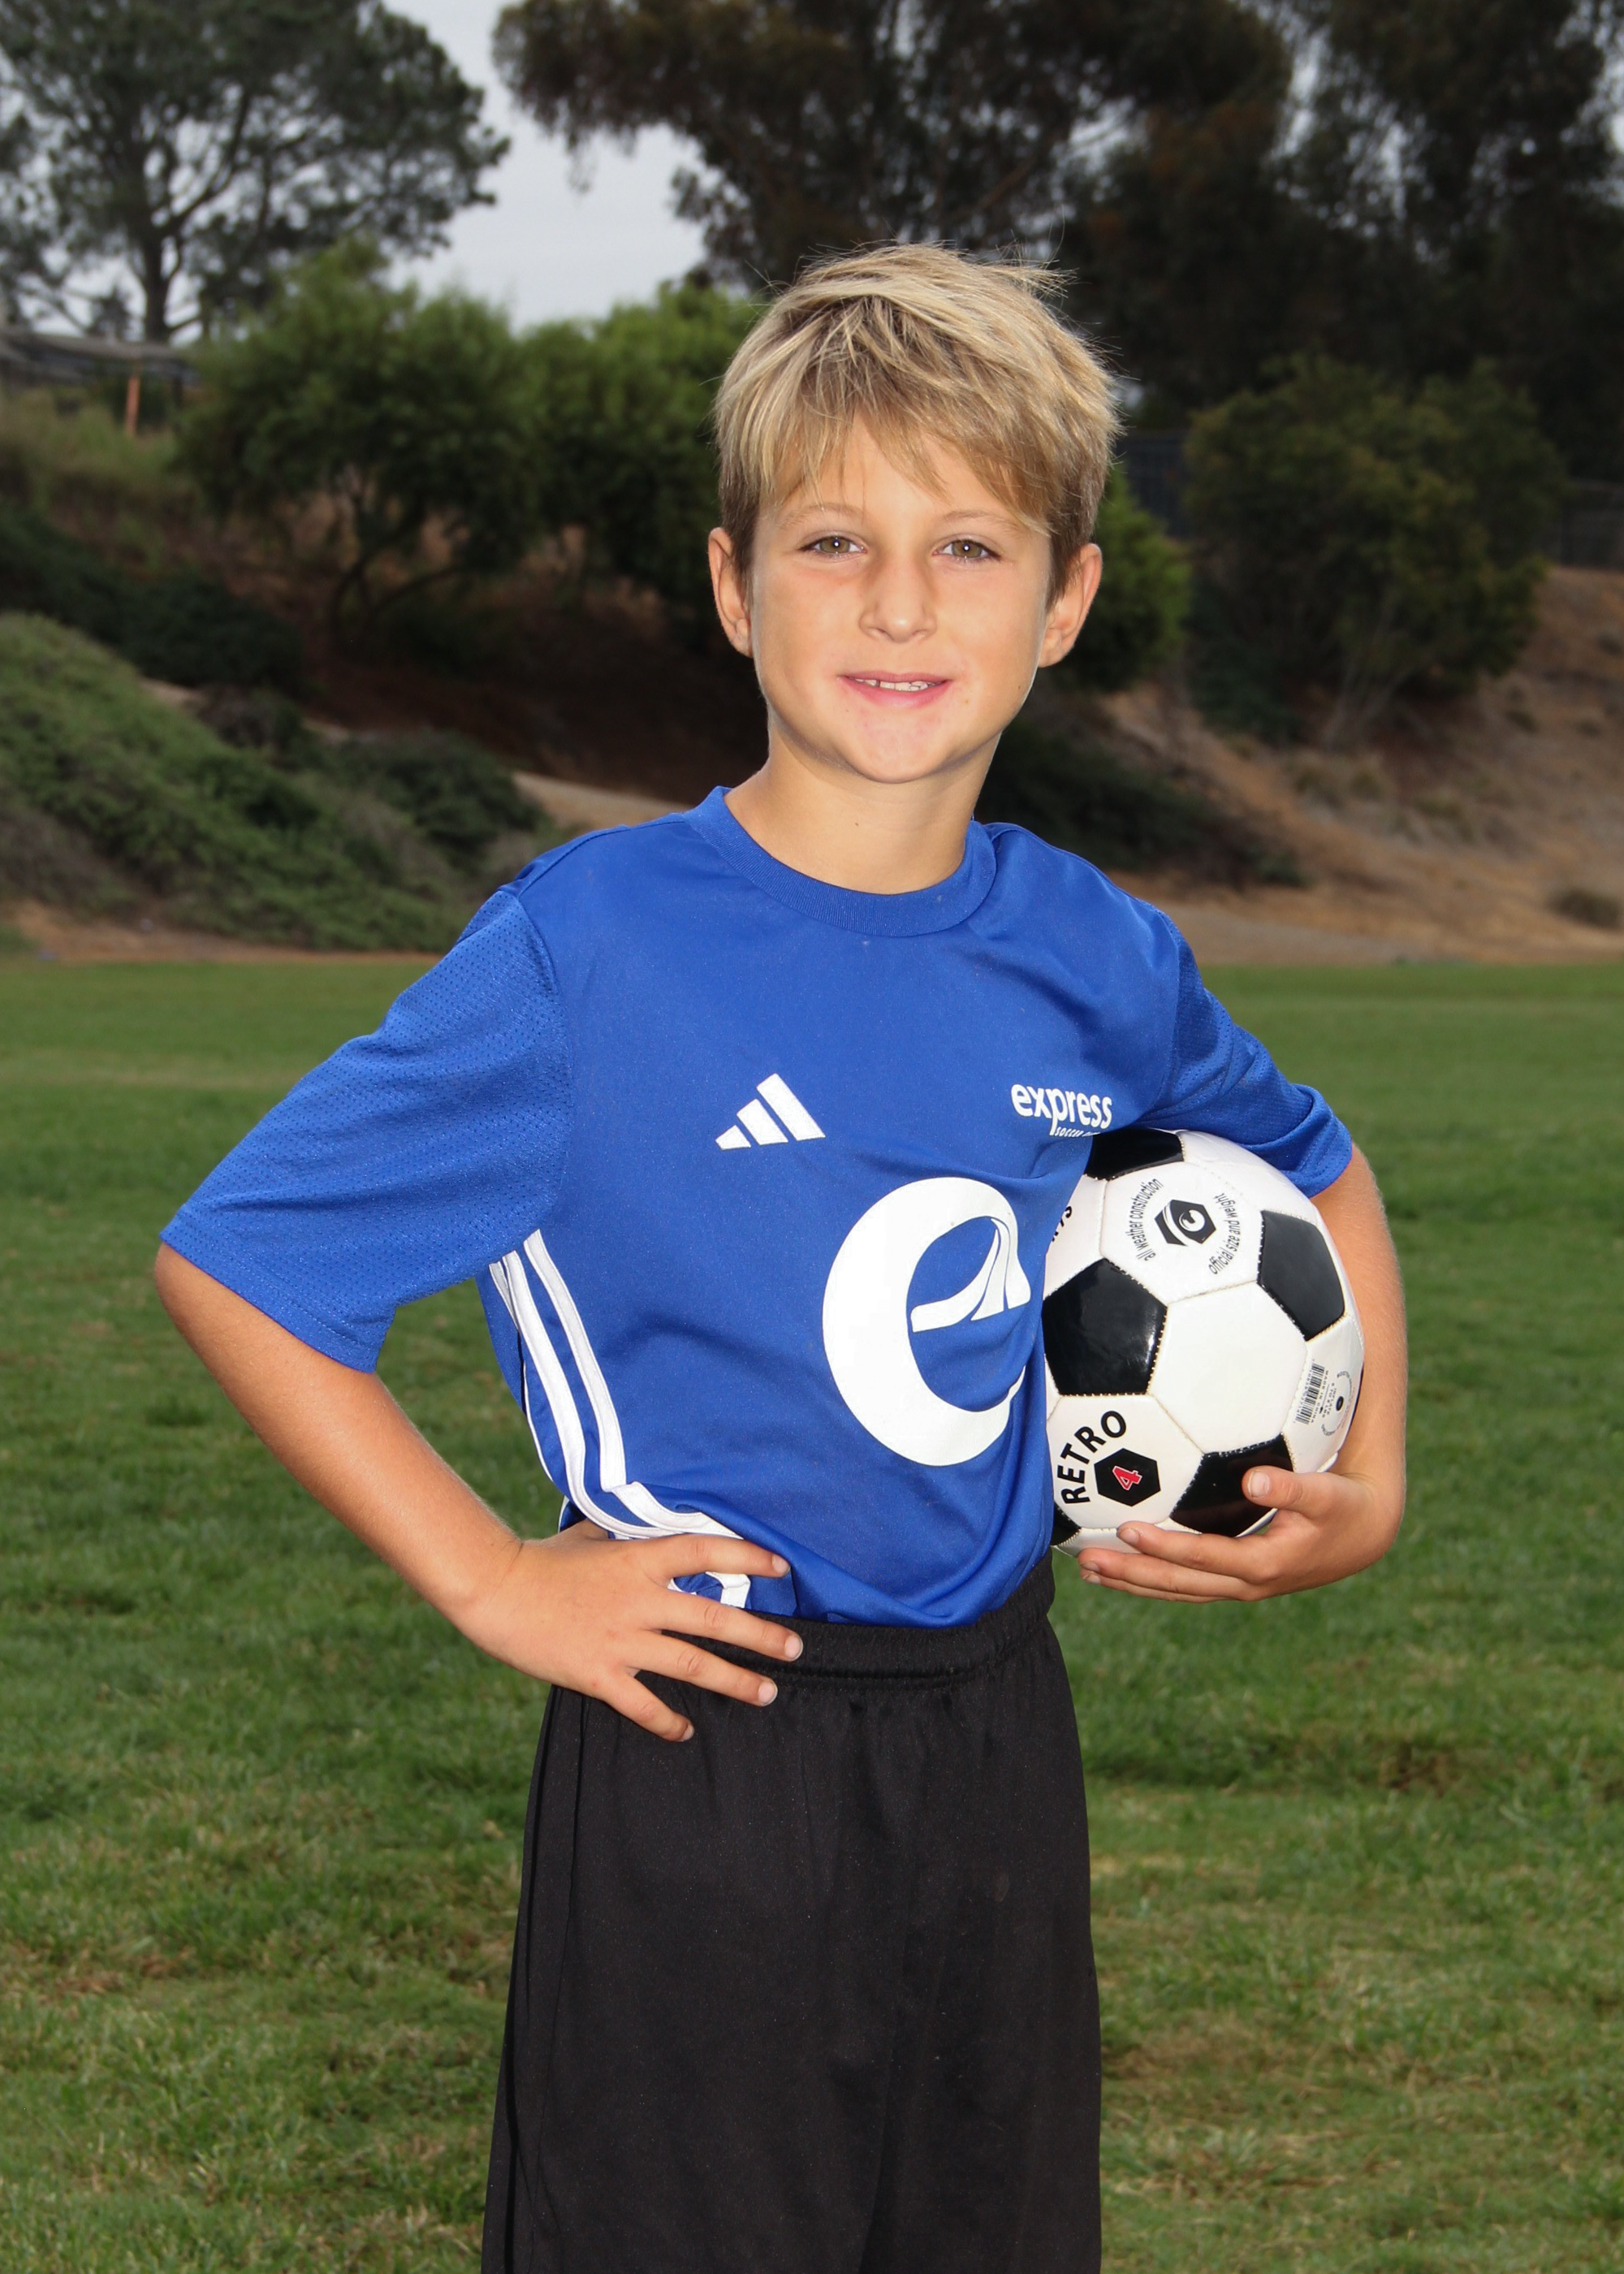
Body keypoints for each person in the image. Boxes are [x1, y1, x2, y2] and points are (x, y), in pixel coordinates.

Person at [155, 245, 1407, 2274]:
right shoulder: (593, 949)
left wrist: (1374, 1478)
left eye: (969, 546)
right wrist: (491, 1575)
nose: (901, 602)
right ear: (736, 587)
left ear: (1065, 600)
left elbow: (1319, 1167)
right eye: (836, 541)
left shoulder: (1093, 952)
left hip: (998, 1730)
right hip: (704, 1741)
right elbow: (243, 1261)